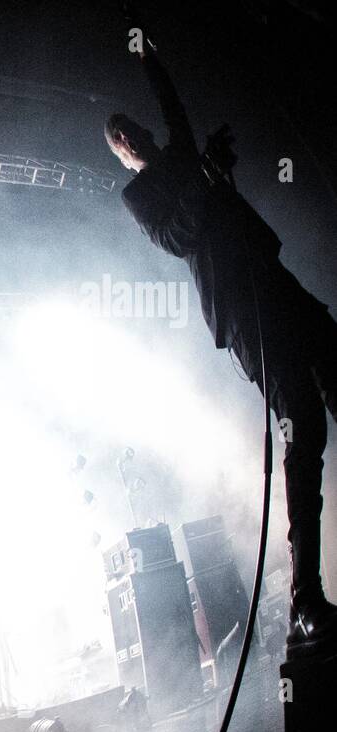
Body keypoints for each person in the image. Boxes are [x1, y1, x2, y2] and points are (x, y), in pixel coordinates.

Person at [105, 43, 336, 658]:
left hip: (273, 280)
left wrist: (145, 46)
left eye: (130, 126)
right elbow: (179, 234)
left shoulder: (180, 151)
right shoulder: (142, 198)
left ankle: (309, 597)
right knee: (304, 425)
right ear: (124, 157)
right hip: (244, 312)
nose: (130, 135)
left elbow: (172, 101)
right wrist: (206, 176)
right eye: (120, 138)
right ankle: (305, 600)